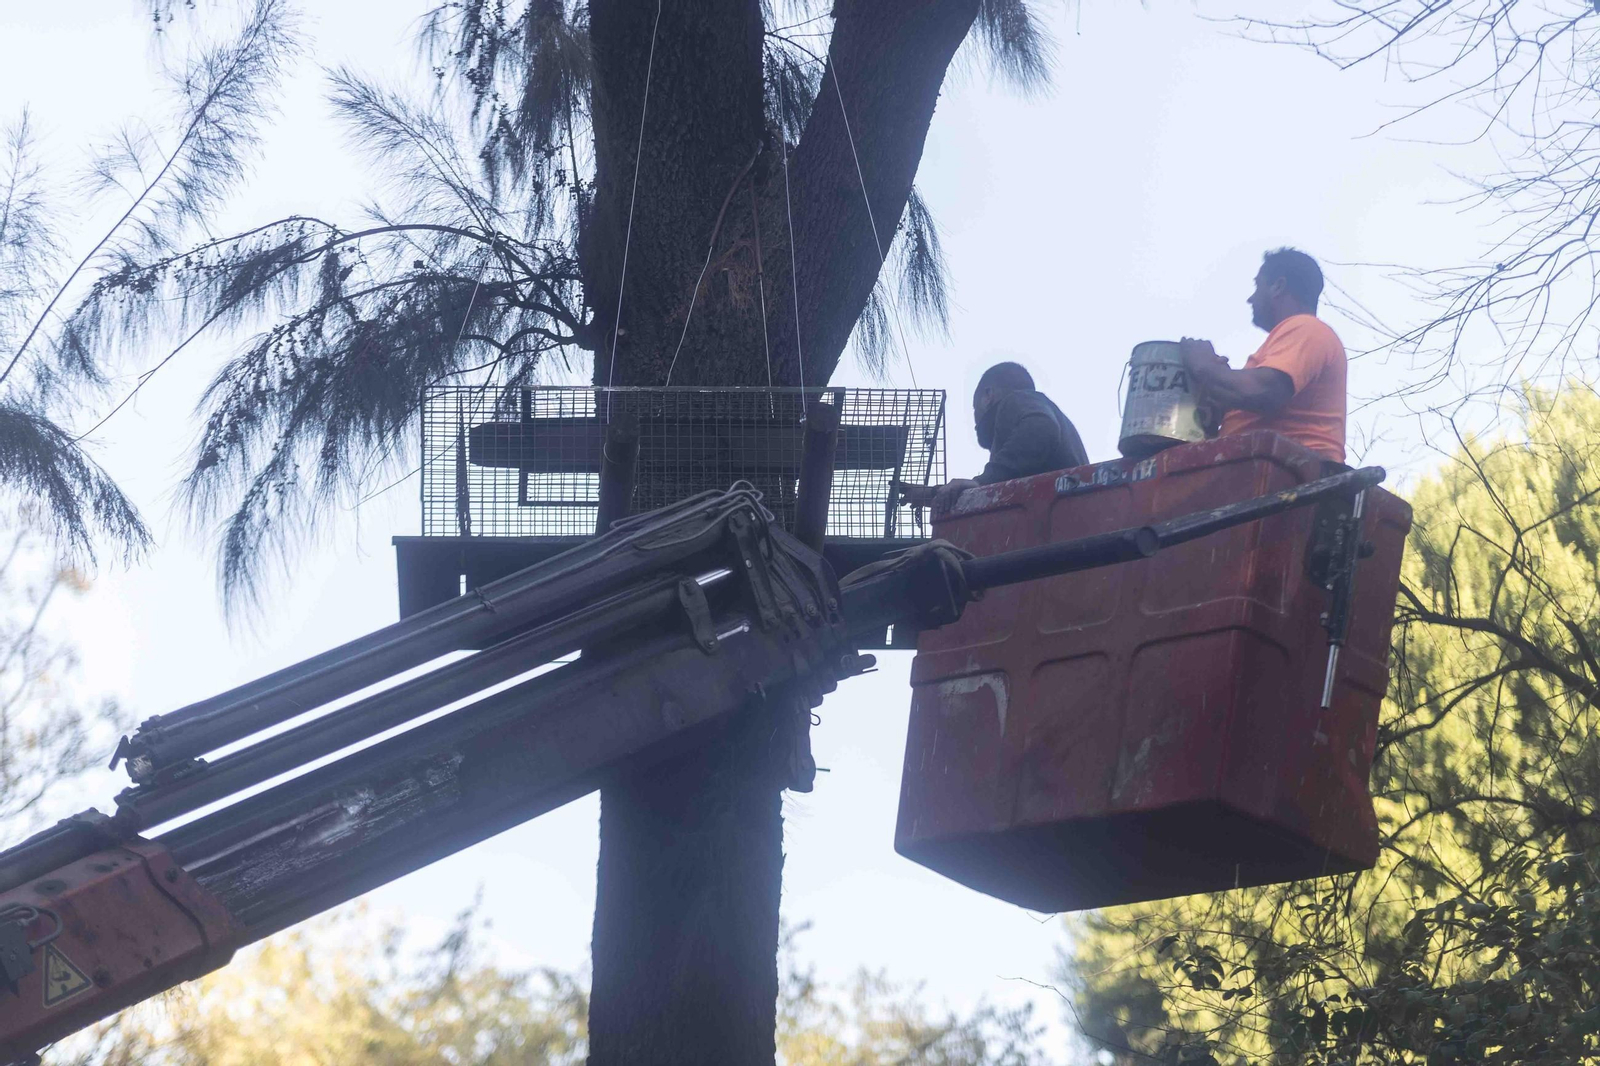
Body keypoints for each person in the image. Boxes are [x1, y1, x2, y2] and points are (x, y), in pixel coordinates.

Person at [1177, 248, 1347, 463]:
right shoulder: (1289, 339)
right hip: (1265, 468)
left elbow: (1263, 391)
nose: (1250, 298)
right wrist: (1218, 396)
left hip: (1294, 472)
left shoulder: (1307, 328)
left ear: (1278, 286)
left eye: (1257, 286)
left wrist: (1204, 366)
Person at [898, 362, 1089, 513]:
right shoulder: (1047, 428)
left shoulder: (1015, 400)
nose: (975, 422)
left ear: (988, 395)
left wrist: (984, 480)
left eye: (975, 409)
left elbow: (1040, 428)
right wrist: (934, 494)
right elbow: (1005, 489)